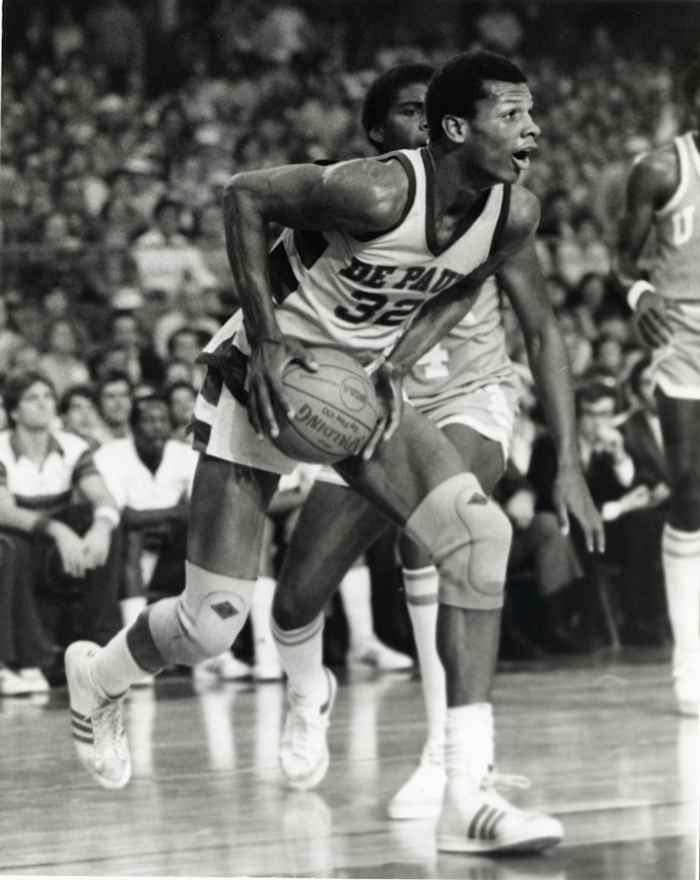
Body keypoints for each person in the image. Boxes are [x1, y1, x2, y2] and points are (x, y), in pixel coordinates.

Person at [64, 52, 603, 857]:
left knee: (477, 538)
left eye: (533, 113)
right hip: (264, 380)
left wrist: (392, 358)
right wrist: (273, 343)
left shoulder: (513, 216)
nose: (534, 129)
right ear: (459, 129)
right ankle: (99, 676)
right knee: (213, 625)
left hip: (354, 391)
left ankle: (466, 793)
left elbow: (458, 286)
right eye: (515, 114)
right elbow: (242, 195)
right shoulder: (378, 189)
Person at [269, 60, 513, 819]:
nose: (423, 126)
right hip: (367, 405)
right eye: (408, 114)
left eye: (430, 112)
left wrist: (567, 458)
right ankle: (308, 689)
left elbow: (540, 324)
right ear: (379, 135)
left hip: (472, 397)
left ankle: (450, 759)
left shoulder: (497, 205)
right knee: (295, 596)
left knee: (440, 534)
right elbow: (256, 217)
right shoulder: (364, 201)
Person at [615, 58, 700, 716]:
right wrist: (639, 289)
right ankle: (689, 660)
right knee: (691, 491)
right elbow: (623, 256)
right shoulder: (661, 169)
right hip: (683, 341)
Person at [0, 370, 122, 682]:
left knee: (102, 526)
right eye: (32, 399)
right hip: (21, 538)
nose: (43, 405)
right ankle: (24, 662)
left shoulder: (72, 445)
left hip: (55, 549)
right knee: (11, 546)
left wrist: (101, 528)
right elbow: (3, 511)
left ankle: (101, 649)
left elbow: (103, 497)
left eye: (48, 397)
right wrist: (58, 530)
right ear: (14, 411)